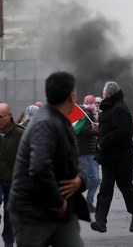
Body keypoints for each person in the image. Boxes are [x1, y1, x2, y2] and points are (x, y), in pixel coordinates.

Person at [8, 71, 90, 246]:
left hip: (62, 213)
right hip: (33, 212)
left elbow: (74, 158)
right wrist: (57, 201)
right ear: (72, 95)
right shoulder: (45, 124)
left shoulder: (61, 121)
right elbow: (39, 168)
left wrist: (80, 179)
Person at [91, 81, 133, 234]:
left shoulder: (119, 108)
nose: (103, 95)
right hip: (108, 157)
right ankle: (101, 221)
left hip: (122, 157)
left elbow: (121, 131)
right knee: (106, 187)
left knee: (125, 186)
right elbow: (110, 127)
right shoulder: (109, 108)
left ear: (108, 94)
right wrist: (99, 129)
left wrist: (102, 142)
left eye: (104, 93)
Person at [0, 103, 25, 247]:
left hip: (13, 179)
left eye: (1, 117)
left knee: (10, 213)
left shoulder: (21, 133)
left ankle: (8, 241)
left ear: (10, 116)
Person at [76, 95, 100, 213]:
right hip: (85, 152)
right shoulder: (86, 115)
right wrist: (96, 131)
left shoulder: (89, 114)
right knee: (94, 179)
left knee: (94, 179)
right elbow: (83, 131)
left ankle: (89, 202)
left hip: (89, 151)